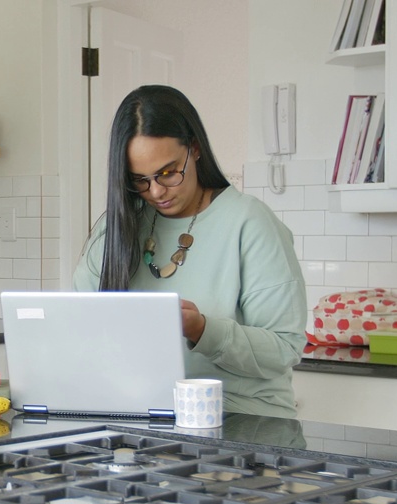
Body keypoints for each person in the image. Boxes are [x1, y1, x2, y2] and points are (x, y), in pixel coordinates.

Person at [73, 85, 307, 418]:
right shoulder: (117, 227)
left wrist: (201, 330)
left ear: (195, 149)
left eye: (168, 172)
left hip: (241, 420)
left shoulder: (249, 223)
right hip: (144, 416)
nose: (155, 191)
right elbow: (79, 329)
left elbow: (284, 349)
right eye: (139, 179)